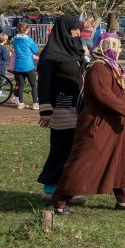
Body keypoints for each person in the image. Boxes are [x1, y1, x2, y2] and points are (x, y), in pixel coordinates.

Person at [50, 33, 125, 215]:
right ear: (106, 47)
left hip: (114, 125)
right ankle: (59, 201)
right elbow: (103, 96)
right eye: (116, 46)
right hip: (98, 125)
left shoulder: (111, 66)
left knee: (119, 160)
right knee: (85, 162)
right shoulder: (98, 68)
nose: (119, 49)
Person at [36, 14, 87, 202]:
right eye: (74, 29)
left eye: (78, 29)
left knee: (74, 151)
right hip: (61, 111)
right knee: (61, 149)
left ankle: (68, 189)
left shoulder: (75, 49)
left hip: (78, 109)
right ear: (64, 30)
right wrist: (46, 109)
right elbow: (44, 83)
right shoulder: (50, 55)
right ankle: (50, 188)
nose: (77, 32)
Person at [12, 21, 40, 109]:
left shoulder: (15, 39)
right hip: (28, 65)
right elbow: (35, 49)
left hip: (18, 65)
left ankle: (21, 103)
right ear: (27, 30)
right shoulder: (28, 40)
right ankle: (35, 103)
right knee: (34, 84)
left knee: (21, 84)